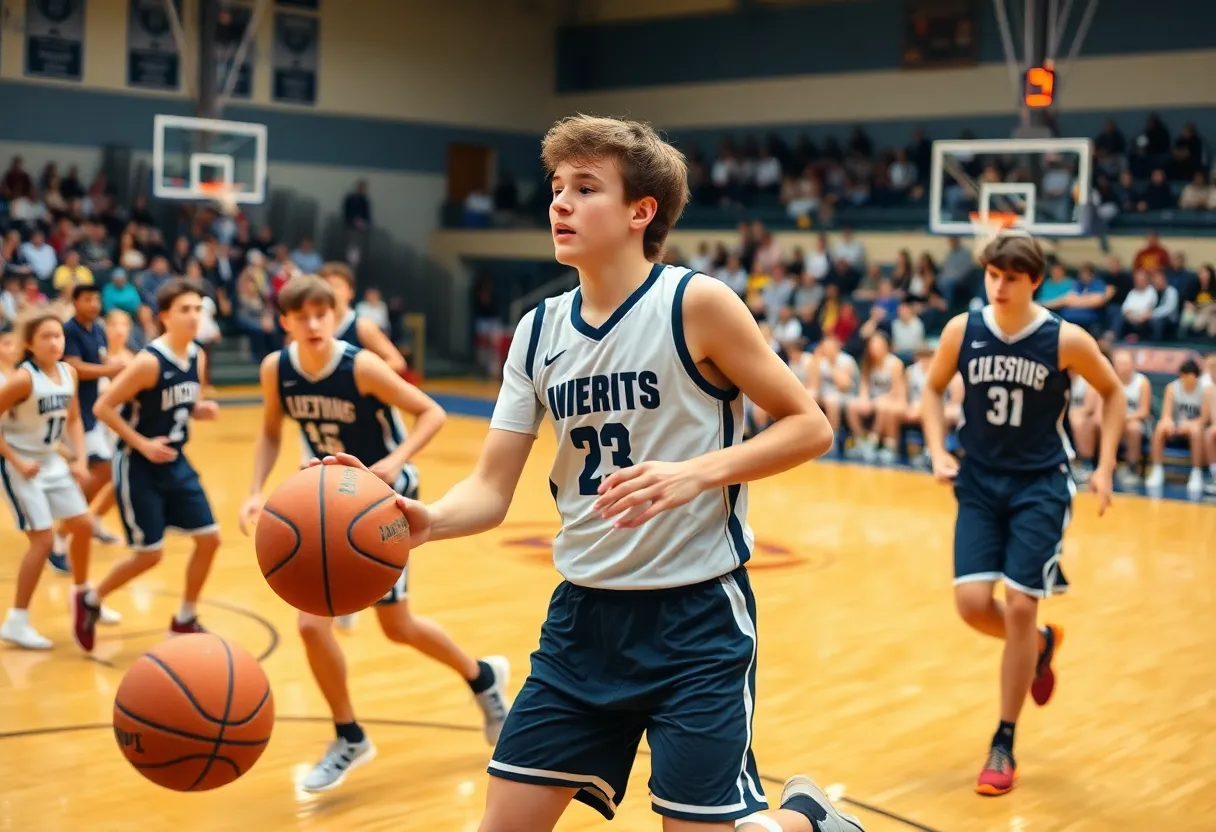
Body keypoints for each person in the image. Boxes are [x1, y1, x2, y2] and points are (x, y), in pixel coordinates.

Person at [314, 114, 858, 832]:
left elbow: (809, 424)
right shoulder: (537, 332)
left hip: (694, 620)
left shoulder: (694, 304)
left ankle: (807, 822)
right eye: (557, 188)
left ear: (642, 211)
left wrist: (698, 473)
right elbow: (491, 487)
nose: (560, 204)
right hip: (582, 623)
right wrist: (425, 521)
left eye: (585, 188)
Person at [237, 274, 512, 793]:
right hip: (328, 499)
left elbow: (431, 411)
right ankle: (365, 728)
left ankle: (475, 680)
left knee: (387, 625)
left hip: (381, 505)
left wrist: (392, 461)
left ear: (336, 315)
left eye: (324, 313)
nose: (315, 323)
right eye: (303, 316)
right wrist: (255, 489)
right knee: (341, 625)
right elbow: (272, 430)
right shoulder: (277, 369)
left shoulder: (357, 364)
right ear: (285, 322)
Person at [920, 231, 1126, 797]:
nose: (999, 285)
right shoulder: (963, 331)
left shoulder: (1065, 339)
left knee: (1015, 608)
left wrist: (1105, 467)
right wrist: (938, 450)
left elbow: (1115, 393)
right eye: (992, 274)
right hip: (980, 483)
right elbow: (933, 390)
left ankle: (1003, 742)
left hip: (1040, 486)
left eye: (1011, 277)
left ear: (1035, 280)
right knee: (970, 605)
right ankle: (1040, 645)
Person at [77, 279, 221, 645]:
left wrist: (198, 410)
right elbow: (103, 408)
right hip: (139, 465)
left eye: (197, 309)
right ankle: (90, 599)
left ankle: (185, 617)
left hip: (176, 461)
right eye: (184, 310)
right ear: (164, 317)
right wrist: (142, 444)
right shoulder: (148, 361)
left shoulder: (198, 356)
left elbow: (181, 404)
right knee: (149, 555)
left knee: (210, 539)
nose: (193, 316)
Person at [313, 261, 406, 630]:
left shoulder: (360, 326)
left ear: (349, 292)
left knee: (364, 523)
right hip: (332, 435)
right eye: (324, 285)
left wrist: (365, 379)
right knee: (330, 521)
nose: (331, 291)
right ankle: (343, 592)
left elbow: (396, 361)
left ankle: (365, 590)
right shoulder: (312, 330)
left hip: (373, 432)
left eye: (337, 285)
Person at [0, 312, 95, 650]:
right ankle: (17, 620)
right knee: (41, 541)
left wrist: (80, 458)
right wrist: (16, 459)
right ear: (30, 343)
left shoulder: (69, 372)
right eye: (46, 337)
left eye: (58, 335)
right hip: (21, 465)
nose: (55, 342)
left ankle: (84, 598)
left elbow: (73, 419)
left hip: (52, 462)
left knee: (83, 525)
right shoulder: (23, 380)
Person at [1145, 358, 1207, 498]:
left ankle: (1196, 473)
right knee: (1161, 427)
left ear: (1196, 377)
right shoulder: (1172, 388)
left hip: (1193, 429)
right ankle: (1157, 469)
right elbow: (1166, 414)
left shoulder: (1205, 390)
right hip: (1176, 427)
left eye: (1190, 377)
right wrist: (1169, 422)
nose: (1187, 380)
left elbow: (1204, 419)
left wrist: (1190, 425)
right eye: (1184, 377)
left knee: (1196, 431)